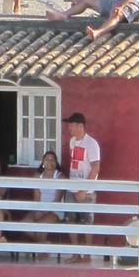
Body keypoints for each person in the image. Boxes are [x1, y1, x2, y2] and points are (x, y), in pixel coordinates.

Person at [61, 112, 100, 264]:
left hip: (87, 191)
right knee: (71, 222)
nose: (69, 128)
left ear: (80, 126)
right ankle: (76, 253)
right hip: (72, 187)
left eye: (72, 125)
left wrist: (85, 189)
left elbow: (96, 167)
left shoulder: (91, 143)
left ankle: (88, 255)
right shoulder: (72, 142)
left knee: (87, 223)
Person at [21, 151, 65, 260]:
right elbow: (36, 197)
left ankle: (41, 251)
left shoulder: (59, 176)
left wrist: (46, 211)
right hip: (39, 209)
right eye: (47, 160)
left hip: (55, 210)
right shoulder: (37, 176)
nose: (49, 162)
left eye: (52, 160)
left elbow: (58, 199)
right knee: (24, 224)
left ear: (56, 162)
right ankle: (44, 243)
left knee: (41, 225)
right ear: (43, 162)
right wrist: (38, 210)